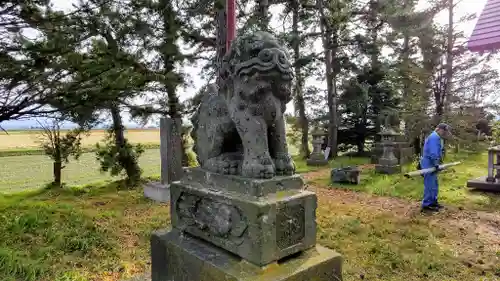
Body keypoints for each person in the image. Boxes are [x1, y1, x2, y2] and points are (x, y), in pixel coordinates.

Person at [420, 123, 452, 212]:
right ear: (438, 129)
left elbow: (438, 152)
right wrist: (436, 164)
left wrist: (439, 161)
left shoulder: (437, 137)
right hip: (429, 164)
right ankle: (426, 205)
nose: (444, 133)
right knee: (430, 185)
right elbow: (433, 153)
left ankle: (433, 202)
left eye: (445, 132)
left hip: (432, 163)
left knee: (434, 184)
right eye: (444, 131)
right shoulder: (434, 137)